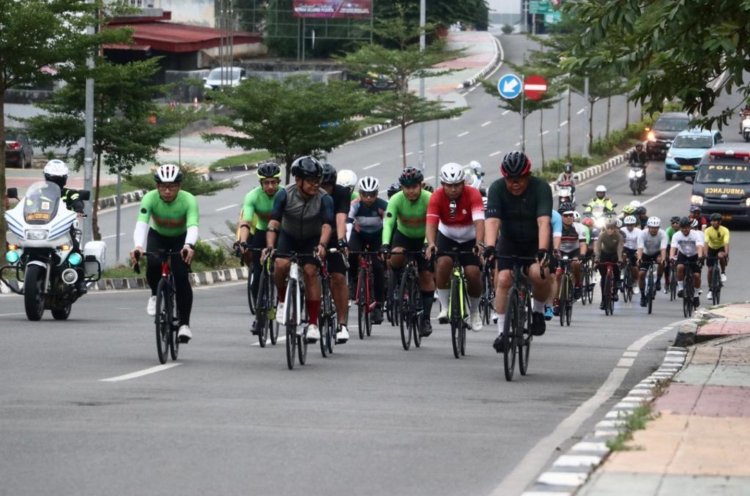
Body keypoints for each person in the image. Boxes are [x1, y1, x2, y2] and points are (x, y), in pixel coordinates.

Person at [483, 151, 553, 353]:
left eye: (520, 179)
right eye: (510, 180)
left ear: (528, 176)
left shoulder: (541, 188)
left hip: (535, 241)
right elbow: (493, 221)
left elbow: (543, 222)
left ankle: (538, 312)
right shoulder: (496, 188)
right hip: (510, 240)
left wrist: (542, 250)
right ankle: (502, 333)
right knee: (503, 279)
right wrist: (489, 246)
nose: (515, 184)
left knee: (538, 274)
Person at [265, 156, 333, 344]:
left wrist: (322, 245)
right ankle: (281, 299)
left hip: (311, 238)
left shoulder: (324, 198)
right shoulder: (285, 194)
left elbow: (327, 225)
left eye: (317, 180)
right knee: (280, 264)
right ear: (298, 180)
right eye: (310, 180)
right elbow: (274, 222)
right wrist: (270, 246)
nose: (315, 184)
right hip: (288, 236)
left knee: (311, 272)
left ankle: (312, 324)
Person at [130, 164, 199, 343]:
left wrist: (188, 245)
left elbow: (192, 225)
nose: (167, 191)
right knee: (152, 263)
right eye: (163, 187)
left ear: (179, 186)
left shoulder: (188, 200)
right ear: (157, 187)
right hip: (158, 236)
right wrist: (138, 246)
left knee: (182, 277)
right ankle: (155, 294)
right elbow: (142, 224)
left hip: (181, 239)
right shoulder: (150, 198)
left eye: (172, 187)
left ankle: (184, 325)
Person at [425, 163, 485, 332]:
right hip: (447, 236)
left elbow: (480, 221)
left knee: (473, 273)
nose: (453, 189)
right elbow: (431, 223)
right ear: (443, 184)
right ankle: (444, 307)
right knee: (443, 264)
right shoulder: (436, 196)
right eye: (449, 186)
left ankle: (474, 312)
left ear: (463, 183)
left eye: (457, 185)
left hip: (469, 237)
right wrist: (431, 243)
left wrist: (479, 243)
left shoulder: (473, 193)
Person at [381, 167, 436, 336]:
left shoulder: (429, 198)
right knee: (396, 255)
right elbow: (389, 223)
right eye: (407, 187)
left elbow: (432, 223)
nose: (410, 191)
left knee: (426, 275)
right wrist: (384, 244)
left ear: (420, 186)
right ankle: (397, 287)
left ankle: (425, 319)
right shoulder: (396, 199)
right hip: (404, 235)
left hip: (424, 236)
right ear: (402, 188)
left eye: (414, 187)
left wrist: (427, 244)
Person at [236, 162, 281, 335]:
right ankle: (258, 316)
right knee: (256, 276)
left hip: (282, 233)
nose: (270, 186)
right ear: (261, 183)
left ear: (278, 181)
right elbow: (246, 222)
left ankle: (286, 299)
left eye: (274, 182)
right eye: (266, 182)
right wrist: (243, 242)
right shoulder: (252, 196)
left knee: (282, 267)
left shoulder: (284, 194)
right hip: (262, 232)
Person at [43, 159, 88, 294]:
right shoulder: (39, 192)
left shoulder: (70, 193)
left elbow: (77, 200)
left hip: (65, 230)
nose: (55, 182)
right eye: (52, 179)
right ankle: (27, 273)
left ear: (64, 180)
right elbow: (27, 203)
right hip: (42, 228)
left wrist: (78, 207)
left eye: (58, 179)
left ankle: (80, 281)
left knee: (75, 249)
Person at [347, 176, 388, 324]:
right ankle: (353, 281)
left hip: (377, 236)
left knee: (378, 267)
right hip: (359, 235)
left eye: (372, 194)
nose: (368, 198)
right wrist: (344, 243)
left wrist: (385, 245)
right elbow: (348, 225)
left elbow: (388, 225)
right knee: (352, 252)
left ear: (377, 194)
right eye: (365, 194)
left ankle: (378, 305)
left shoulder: (383, 205)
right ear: (360, 193)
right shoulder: (355, 205)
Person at [320, 162, 353, 344]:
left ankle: (342, 324)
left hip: (334, 236)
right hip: (314, 235)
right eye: (321, 186)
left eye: (327, 186)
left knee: (338, 277)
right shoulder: (312, 193)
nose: (324, 190)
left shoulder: (341, 193)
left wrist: (341, 241)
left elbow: (341, 218)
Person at [552, 202, 587, 314]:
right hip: (560, 251)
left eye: (571, 215)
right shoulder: (556, 228)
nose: (569, 218)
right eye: (565, 216)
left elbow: (582, 244)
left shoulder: (579, 227)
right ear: (561, 217)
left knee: (576, 264)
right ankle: (556, 301)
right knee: (557, 275)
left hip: (574, 251)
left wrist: (581, 255)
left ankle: (577, 285)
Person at [670, 216, 705, 308]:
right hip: (683, 254)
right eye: (683, 228)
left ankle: (696, 295)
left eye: (687, 227)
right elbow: (673, 247)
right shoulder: (676, 235)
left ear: (690, 227)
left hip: (694, 255)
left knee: (696, 276)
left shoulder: (695, 234)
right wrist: (671, 257)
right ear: (680, 228)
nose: (685, 229)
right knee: (679, 267)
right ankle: (681, 288)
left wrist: (700, 257)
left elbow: (699, 246)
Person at [636, 216, 668, 306]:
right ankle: (642, 295)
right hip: (645, 253)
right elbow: (640, 247)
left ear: (659, 228)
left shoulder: (663, 234)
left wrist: (663, 259)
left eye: (656, 228)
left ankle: (658, 280)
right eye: (652, 228)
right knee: (641, 274)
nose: (654, 230)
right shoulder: (643, 234)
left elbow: (663, 248)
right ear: (648, 227)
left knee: (661, 261)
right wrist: (639, 258)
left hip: (657, 253)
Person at [594, 219, 623, 310]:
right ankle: (603, 300)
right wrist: (597, 258)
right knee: (603, 278)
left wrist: (620, 258)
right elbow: (598, 247)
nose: (610, 230)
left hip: (614, 254)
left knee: (616, 268)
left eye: (612, 228)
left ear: (615, 228)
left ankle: (616, 286)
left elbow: (619, 248)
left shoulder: (619, 236)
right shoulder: (602, 235)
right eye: (608, 228)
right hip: (604, 254)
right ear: (605, 228)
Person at [704, 213, 730, 300]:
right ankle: (710, 289)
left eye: (715, 221)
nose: (713, 223)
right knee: (710, 269)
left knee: (720, 256)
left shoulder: (725, 230)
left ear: (719, 222)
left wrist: (726, 253)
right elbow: (706, 243)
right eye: (712, 221)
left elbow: (726, 243)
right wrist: (705, 254)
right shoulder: (708, 230)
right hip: (711, 248)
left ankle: (722, 272)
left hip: (720, 247)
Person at [621, 215, 642, 295]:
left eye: (631, 224)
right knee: (623, 257)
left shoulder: (639, 231)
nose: (630, 226)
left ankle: (635, 282)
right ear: (625, 225)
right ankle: (622, 271)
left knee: (635, 267)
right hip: (625, 248)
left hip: (635, 249)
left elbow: (640, 243)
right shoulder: (622, 230)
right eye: (628, 225)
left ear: (634, 224)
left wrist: (638, 252)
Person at [663, 216, 681, 292]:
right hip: (669, 246)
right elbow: (665, 243)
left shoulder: (681, 230)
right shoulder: (668, 230)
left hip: (679, 246)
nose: (675, 225)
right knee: (666, 263)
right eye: (673, 223)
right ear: (671, 224)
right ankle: (667, 282)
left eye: (677, 223)